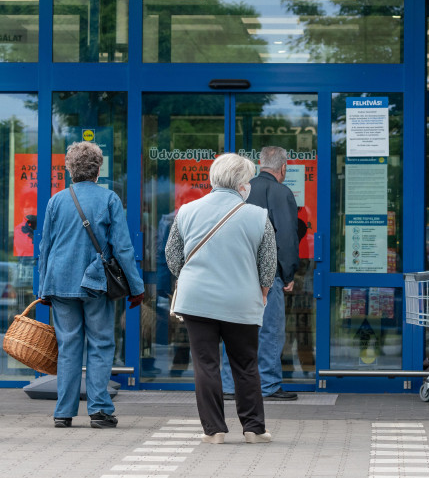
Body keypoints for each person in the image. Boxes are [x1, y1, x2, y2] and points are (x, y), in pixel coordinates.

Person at [166, 153, 277, 444]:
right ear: (242, 183)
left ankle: (214, 431)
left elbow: (172, 256)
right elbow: (267, 266)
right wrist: (262, 292)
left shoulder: (187, 211)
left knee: (206, 364)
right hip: (241, 301)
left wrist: (192, 277)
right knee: (245, 364)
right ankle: (254, 428)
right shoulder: (258, 216)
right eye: (248, 180)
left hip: (197, 301)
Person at [38, 141, 144, 429]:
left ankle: (63, 412)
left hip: (60, 283)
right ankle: (99, 410)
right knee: (100, 344)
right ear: (98, 169)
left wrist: (42, 288)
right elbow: (122, 248)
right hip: (96, 284)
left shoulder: (56, 201)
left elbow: (45, 247)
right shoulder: (109, 199)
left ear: (69, 169)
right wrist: (136, 287)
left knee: (68, 345)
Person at [222, 146, 299, 401]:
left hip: (234, 271)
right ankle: (268, 385)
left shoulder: (241, 190)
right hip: (268, 273)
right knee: (270, 329)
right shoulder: (281, 192)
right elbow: (286, 237)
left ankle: (229, 385)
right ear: (283, 168)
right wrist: (289, 274)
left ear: (259, 163)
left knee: (232, 328)